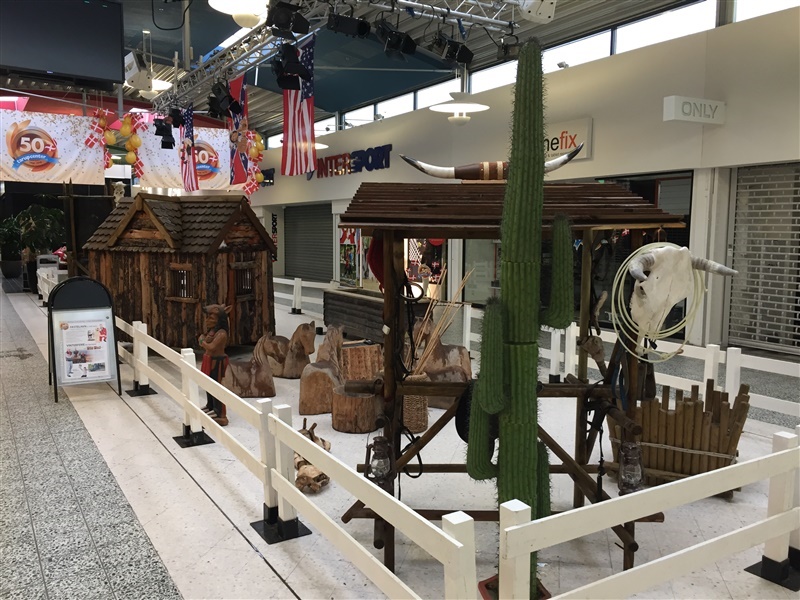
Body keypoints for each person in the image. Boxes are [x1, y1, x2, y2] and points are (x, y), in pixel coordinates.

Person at [199, 305, 230, 426]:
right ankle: (210, 406)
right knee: (208, 385)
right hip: (209, 360)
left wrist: (202, 341)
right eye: (207, 318)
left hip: (217, 362)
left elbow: (211, 347)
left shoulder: (221, 334)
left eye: (211, 318)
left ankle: (220, 413)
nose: (207, 321)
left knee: (216, 386)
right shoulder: (213, 332)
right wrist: (203, 341)